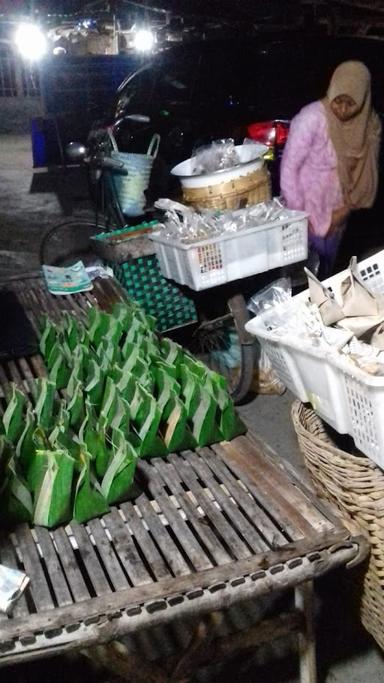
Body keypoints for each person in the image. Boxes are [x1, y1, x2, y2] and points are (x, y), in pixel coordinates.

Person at [280, 60, 381, 279]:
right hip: (304, 214)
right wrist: (300, 216)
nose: (343, 110)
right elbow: (289, 169)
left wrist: (342, 212)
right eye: (338, 101)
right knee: (301, 278)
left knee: (326, 273)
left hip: (338, 213)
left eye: (351, 103)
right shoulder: (311, 118)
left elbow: (364, 176)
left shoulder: (368, 125)